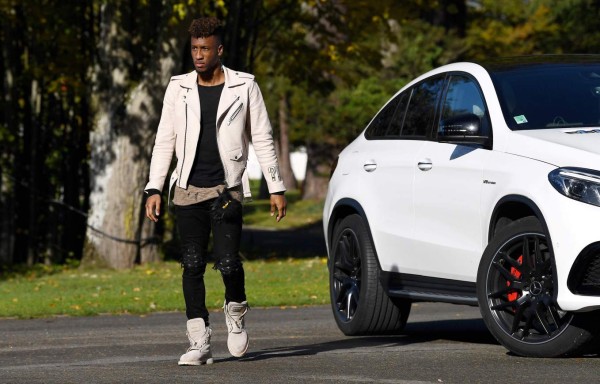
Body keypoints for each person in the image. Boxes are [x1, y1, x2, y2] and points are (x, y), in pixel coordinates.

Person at [144, 16, 287, 366]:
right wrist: (154, 187)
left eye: (205, 48)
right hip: (187, 189)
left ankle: (236, 316)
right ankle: (199, 342)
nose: (198, 55)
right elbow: (165, 140)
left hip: (228, 189)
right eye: (194, 48)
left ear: (219, 50)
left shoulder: (245, 86)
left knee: (227, 262)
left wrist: (276, 185)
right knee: (191, 263)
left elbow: (263, 138)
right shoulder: (178, 87)